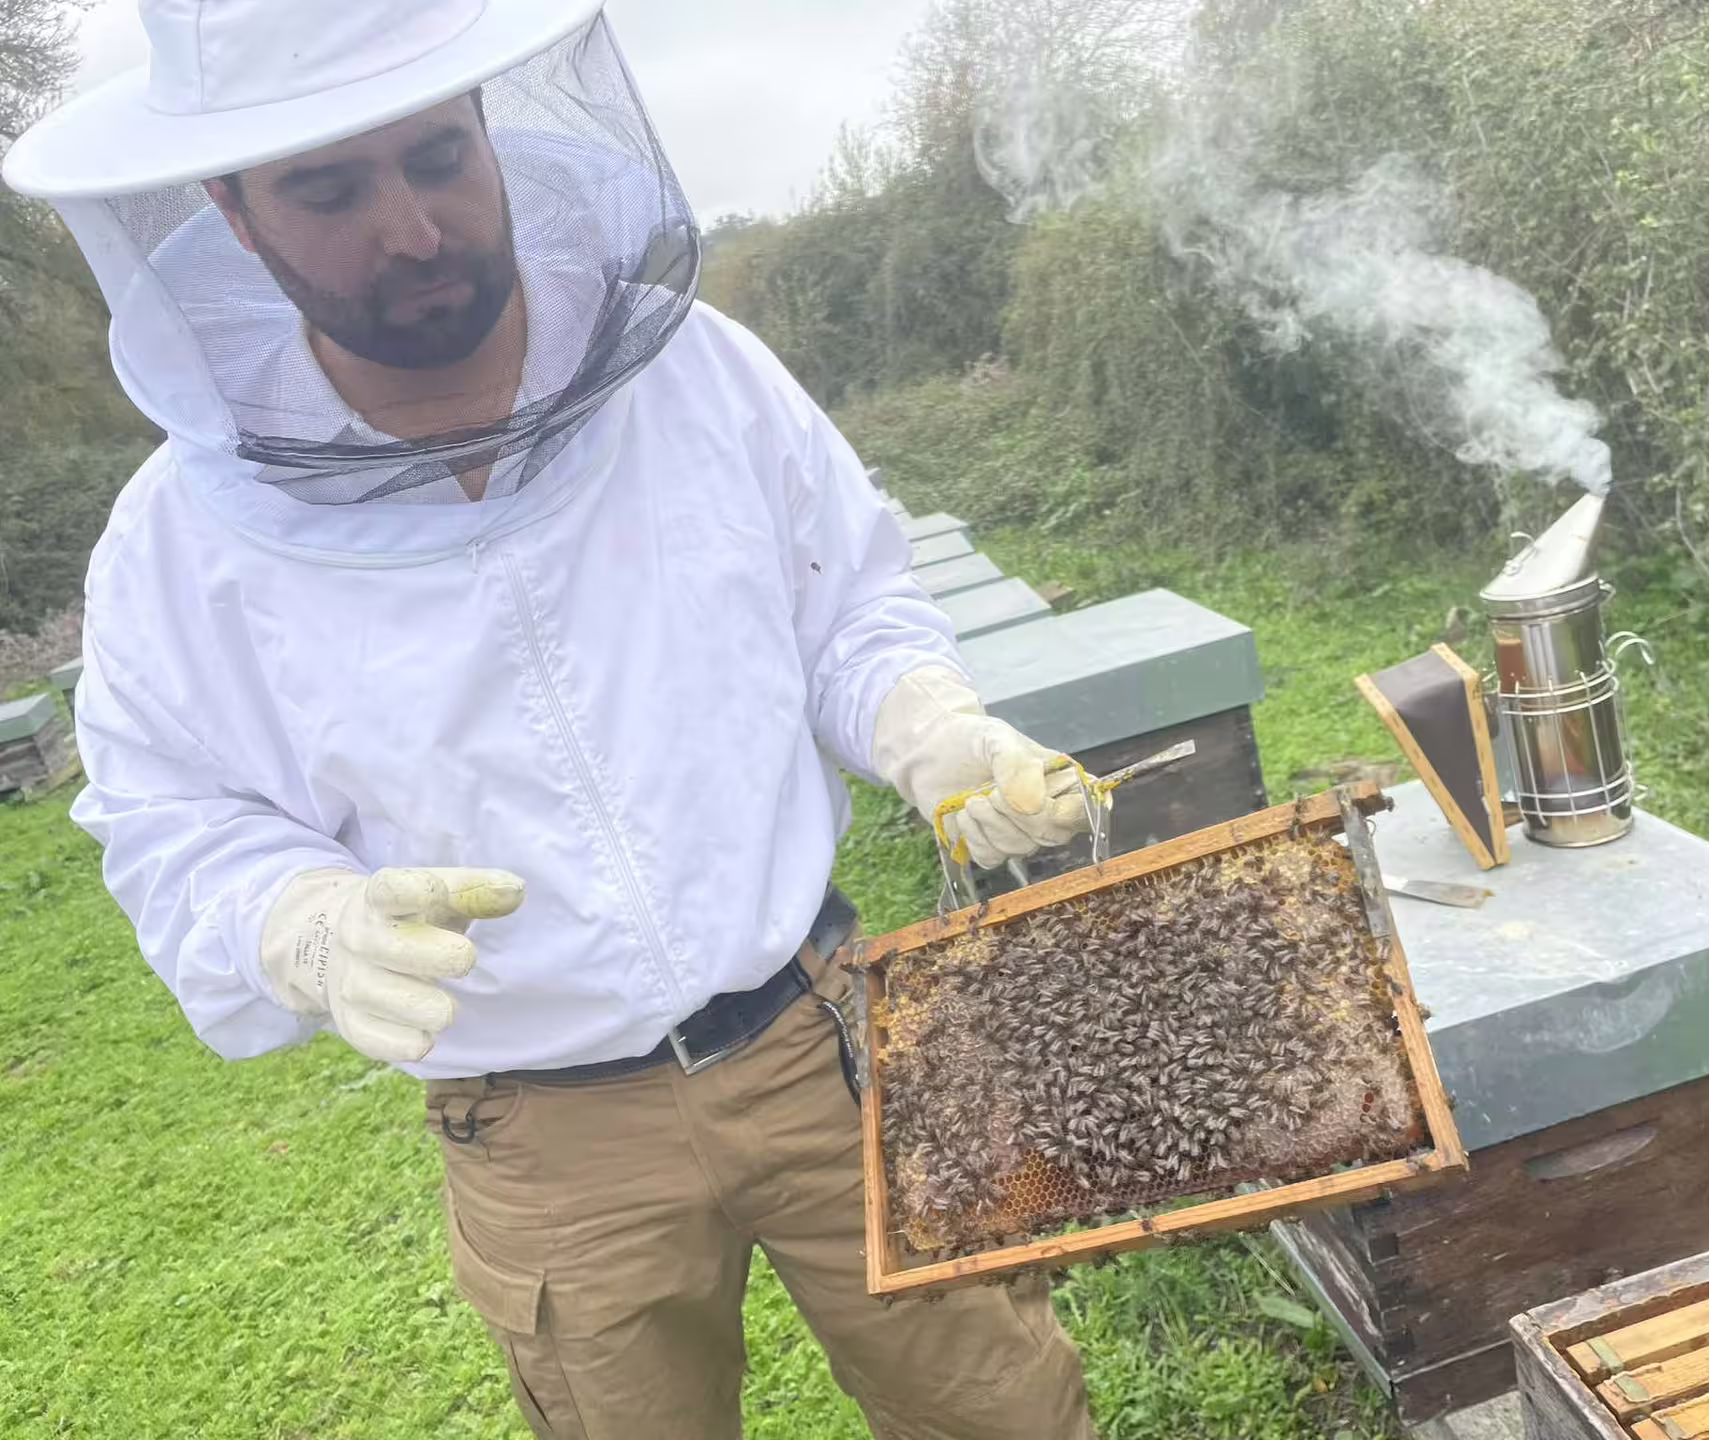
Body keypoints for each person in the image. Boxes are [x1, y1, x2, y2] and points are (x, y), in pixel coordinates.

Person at [3, 2, 1100, 1435]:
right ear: (232, 211)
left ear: (492, 126)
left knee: (1004, 1415)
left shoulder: (696, 375)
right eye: (330, 191)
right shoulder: (179, 541)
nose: (411, 229)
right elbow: (176, 815)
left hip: (825, 1042)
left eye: (437, 157)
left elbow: (847, 611)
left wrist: (929, 722)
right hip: (545, 1134)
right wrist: (298, 923)